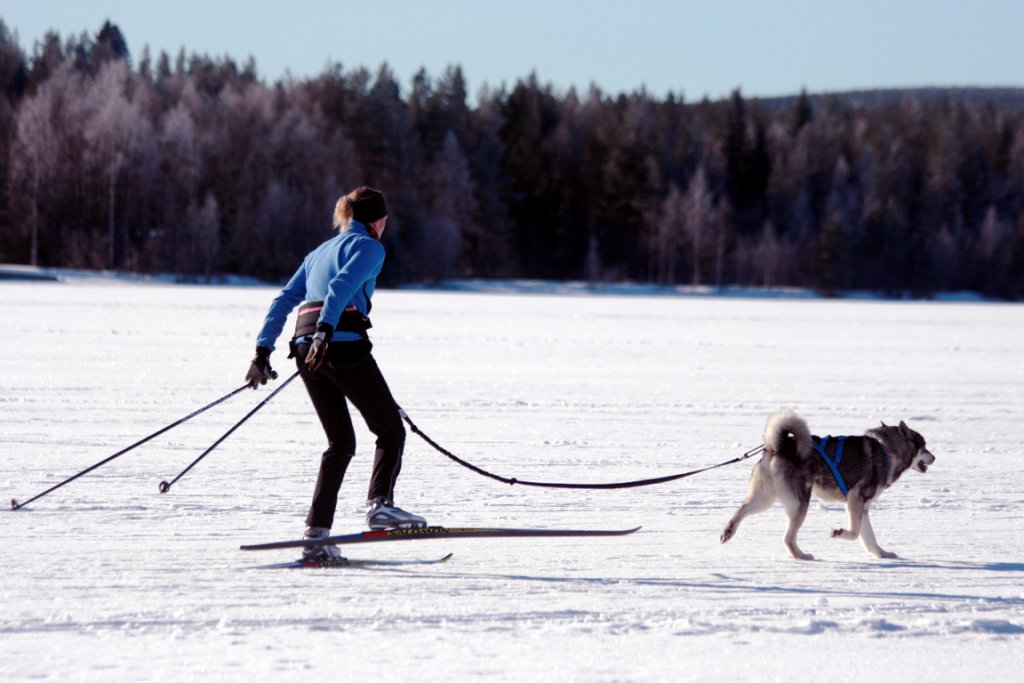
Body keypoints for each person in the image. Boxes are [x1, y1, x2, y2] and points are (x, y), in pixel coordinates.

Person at [245, 186, 426, 562]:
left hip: (305, 350)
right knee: (390, 428)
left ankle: (316, 536)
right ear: (377, 220)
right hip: (339, 344)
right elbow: (341, 286)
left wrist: (263, 351)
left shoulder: (317, 252)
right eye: (385, 220)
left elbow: (284, 300)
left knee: (340, 444)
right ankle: (381, 506)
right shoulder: (371, 247)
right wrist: (326, 331)